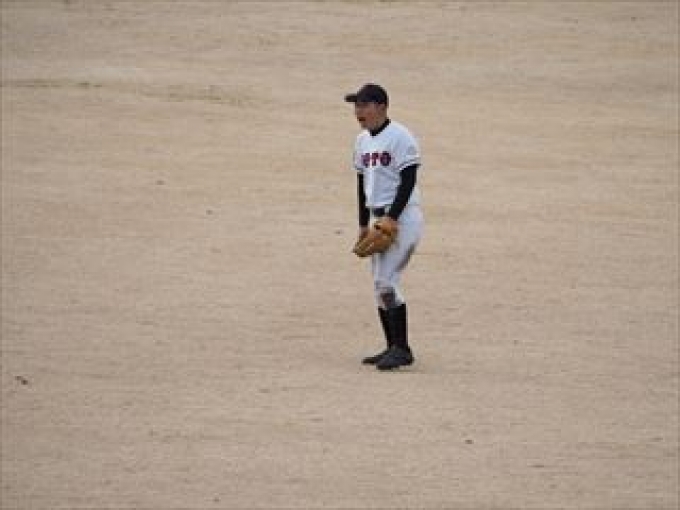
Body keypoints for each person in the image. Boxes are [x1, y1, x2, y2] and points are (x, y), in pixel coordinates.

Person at [344, 83, 424, 371]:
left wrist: (392, 216)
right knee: (380, 285)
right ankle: (393, 347)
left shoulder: (400, 136)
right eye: (356, 105)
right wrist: (362, 224)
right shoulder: (361, 141)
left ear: (381, 106)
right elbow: (361, 183)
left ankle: (402, 349)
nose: (358, 111)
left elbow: (409, 179)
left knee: (386, 282)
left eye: (363, 105)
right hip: (378, 220)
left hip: (403, 218)